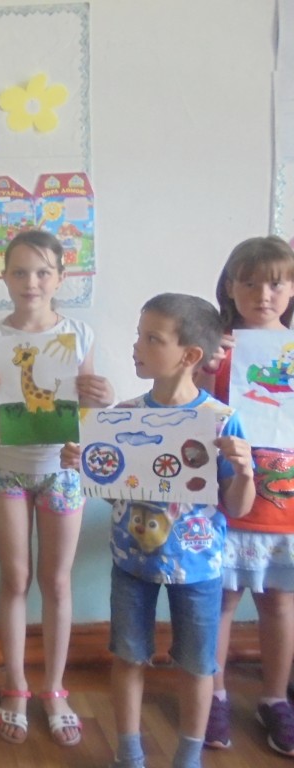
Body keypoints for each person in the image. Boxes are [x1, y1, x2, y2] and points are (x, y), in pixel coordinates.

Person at [62, 292, 255, 768]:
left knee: (198, 664)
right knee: (129, 657)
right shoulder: (124, 414)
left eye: (153, 339)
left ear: (190, 355)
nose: (137, 346)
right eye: (139, 335)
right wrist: (86, 466)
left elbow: (236, 507)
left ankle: (188, 758)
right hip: (133, 561)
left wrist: (246, 472)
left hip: (199, 566)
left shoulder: (221, 420)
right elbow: (114, 494)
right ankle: (129, 754)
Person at [0, 230, 115, 747]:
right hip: (6, 469)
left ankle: (54, 688)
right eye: (20, 272)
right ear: (4, 276)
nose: (31, 282)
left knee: (56, 582)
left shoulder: (79, 333)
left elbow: (87, 410)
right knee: (15, 578)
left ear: (60, 277)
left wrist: (102, 397)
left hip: (63, 472)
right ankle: (15, 685)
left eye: (42, 272)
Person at [197, 236, 294, 756]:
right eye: (250, 283)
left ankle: (275, 698)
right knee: (222, 601)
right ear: (230, 288)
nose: (263, 294)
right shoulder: (219, 350)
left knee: (279, 601)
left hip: (284, 505)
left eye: (276, 283)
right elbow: (188, 411)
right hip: (227, 501)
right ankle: (214, 694)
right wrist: (203, 368)